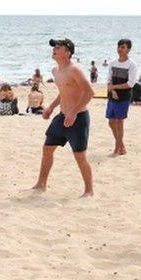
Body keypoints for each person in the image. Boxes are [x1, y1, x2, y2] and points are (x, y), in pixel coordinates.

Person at [32, 39, 95, 197]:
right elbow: (64, 93)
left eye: (58, 47)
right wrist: (51, 108)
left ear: (67, 53)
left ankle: (89, 191)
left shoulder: (74, 70)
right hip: (62, 117)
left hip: (79, 118)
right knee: (47, 149)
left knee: (80, 156)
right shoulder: (56, 71)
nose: (54, 49)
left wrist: (74, 112)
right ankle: (41, 183)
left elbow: (89, 93)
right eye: (54, 47)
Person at [105, 39, 138, 156]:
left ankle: (117, 149)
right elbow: (108, 80)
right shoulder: (112, 63)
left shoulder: (131, 65)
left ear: (128, 49)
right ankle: (122, 146)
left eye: (123, 47)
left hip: (124, 97)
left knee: (119, 122)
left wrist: (114, 87)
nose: (120, 49)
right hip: (112, 96)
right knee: (111, 122)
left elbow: (130, 83)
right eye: (119, 46)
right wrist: (112, 90)